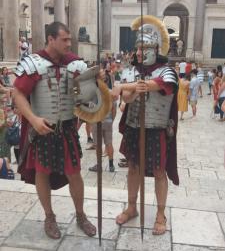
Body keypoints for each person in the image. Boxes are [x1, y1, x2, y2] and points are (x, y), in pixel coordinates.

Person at [13, 22, 98, 240]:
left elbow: (89, 99)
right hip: (43, 130)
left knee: (75, 173)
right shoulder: (33, 63)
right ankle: (49, 216)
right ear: (51, 39)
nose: (69, 43)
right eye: (65, 40)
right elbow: (18, 94)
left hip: (68, 129)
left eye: (70, 39)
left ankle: (80, 215)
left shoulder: (76, 64)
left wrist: (93, 100)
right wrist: (32, 119)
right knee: (42, 172)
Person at [112, 15, 179, 235]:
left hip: (156, 130)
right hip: (133, 128)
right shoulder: (132, 71)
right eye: (138, 48)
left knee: (160, 171)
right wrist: (126, 92)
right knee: (133, 167)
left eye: (144, 48)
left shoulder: (167, 72)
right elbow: (129, 99)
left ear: (156, 48)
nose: (139, 53)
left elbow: (152, 85)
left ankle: (161, 214)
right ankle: (132, 207)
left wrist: (123, 86)